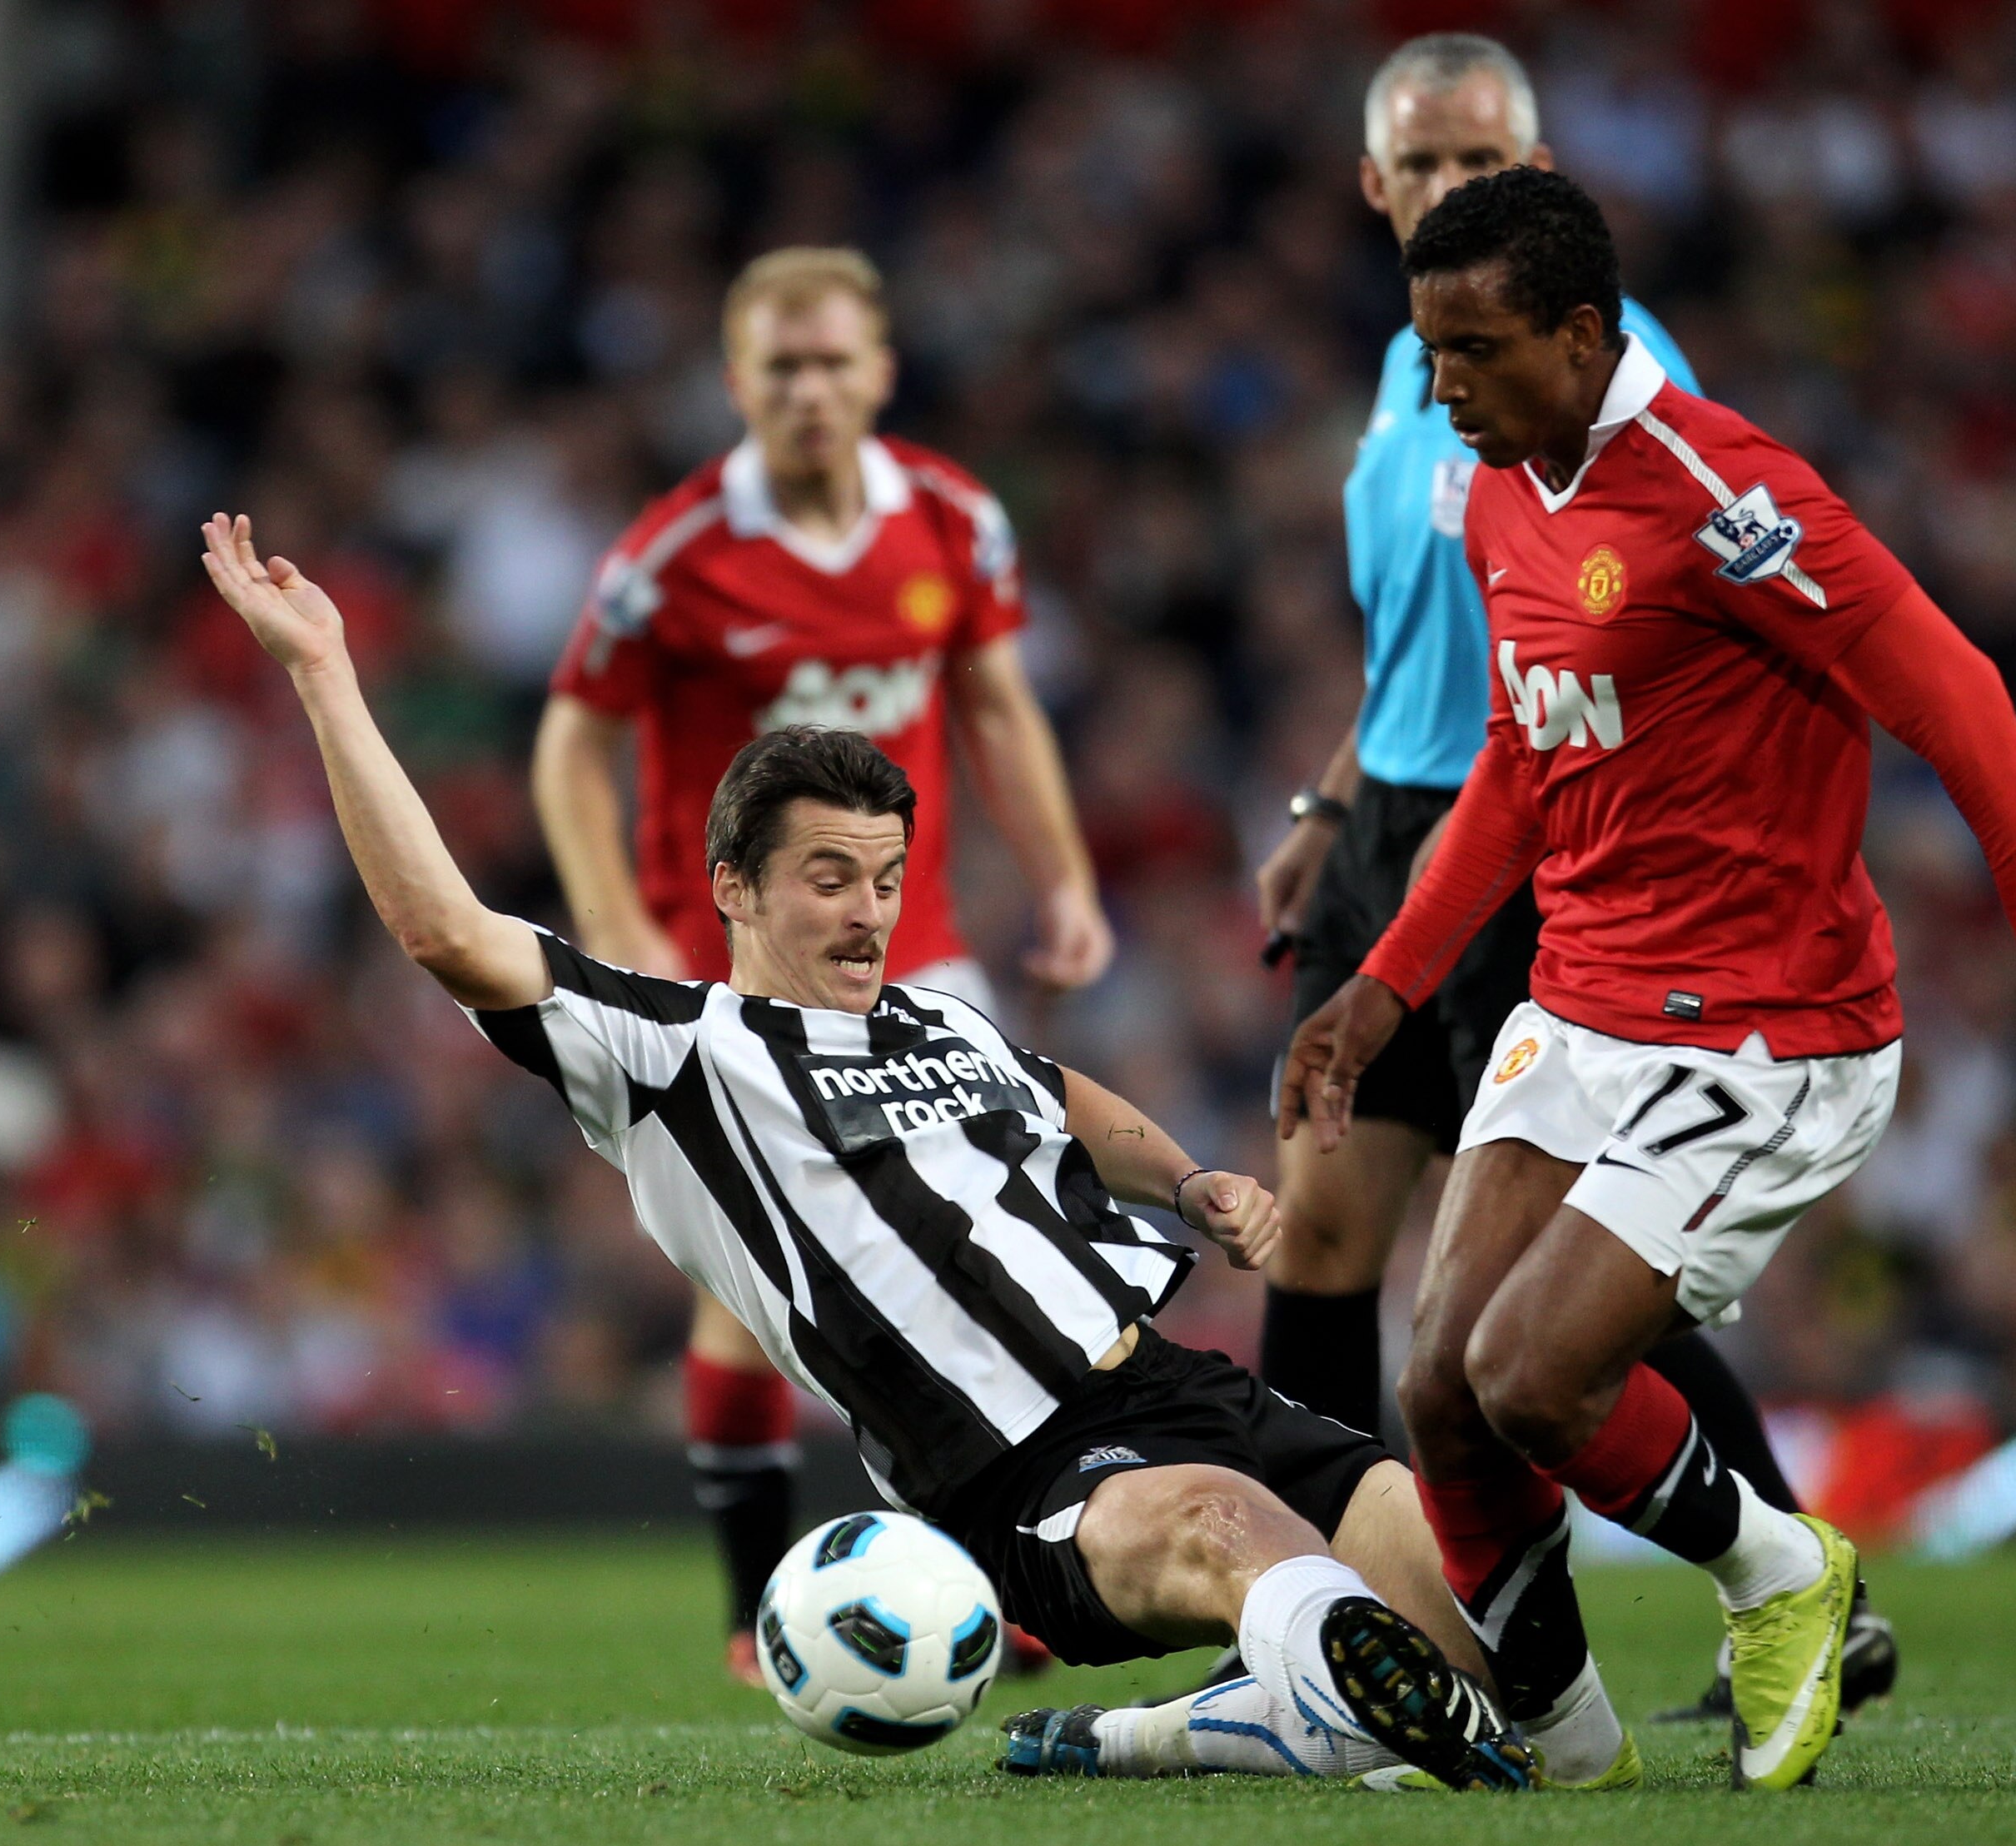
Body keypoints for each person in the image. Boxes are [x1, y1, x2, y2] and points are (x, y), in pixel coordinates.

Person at [195, 510, 1628, 1794]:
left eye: (885, 876)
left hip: (1185, 1384)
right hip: (1022, 1478)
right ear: (733, 886)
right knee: (1242, 1538)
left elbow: (1057, 1093)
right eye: (829, 878)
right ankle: (1318, 1687)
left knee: (1534, 1711)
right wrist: (325, 671)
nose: (869, 911)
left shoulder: (941, 1016)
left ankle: (1203, 1727)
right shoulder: (674, 1051)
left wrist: (1187, 1180)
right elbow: (447, 930)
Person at [1282, 167, 2016, 1792]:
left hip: (1767, 1027)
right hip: (1582, 999)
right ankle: (1557, 1734)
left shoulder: (1718, 490)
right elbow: (1517, 761)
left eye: (1475, 351)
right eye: (1426, 351)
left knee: (1538, 1374)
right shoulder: (1495, 490)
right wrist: (1387, 982)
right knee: (1441, 1386)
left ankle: (1782, 1573)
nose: (1444, 387)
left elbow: (1956, 691)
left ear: (1582, 332)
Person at [1254, 31, 1890, 1721]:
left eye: (1488, 160)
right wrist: (1325, 803)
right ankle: (1348, 1597)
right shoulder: (1420, 365)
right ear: (1373, 184)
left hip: (1533, 840)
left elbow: (1580, 672)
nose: (1457, 188)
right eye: (1430, 163)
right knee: (1325, 1229)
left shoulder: (1588, 365)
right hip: (1391, 813)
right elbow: (1426, 637)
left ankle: (1792, 1559)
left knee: (1538, 1295)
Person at [531, 246, 1113, 1681]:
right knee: (764, 1281)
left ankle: (997, 1572)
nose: (809, 390)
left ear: (880, 370)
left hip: (916, 958)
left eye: (834, 362)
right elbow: (569, 739)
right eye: (781, 366)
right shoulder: (676, 554)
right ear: (737, 381)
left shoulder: (954, 522)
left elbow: (994, 701)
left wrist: (1067, 876)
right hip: (736, 969)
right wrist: (612, 918)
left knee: (992, 1258)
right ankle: (754, 1610)